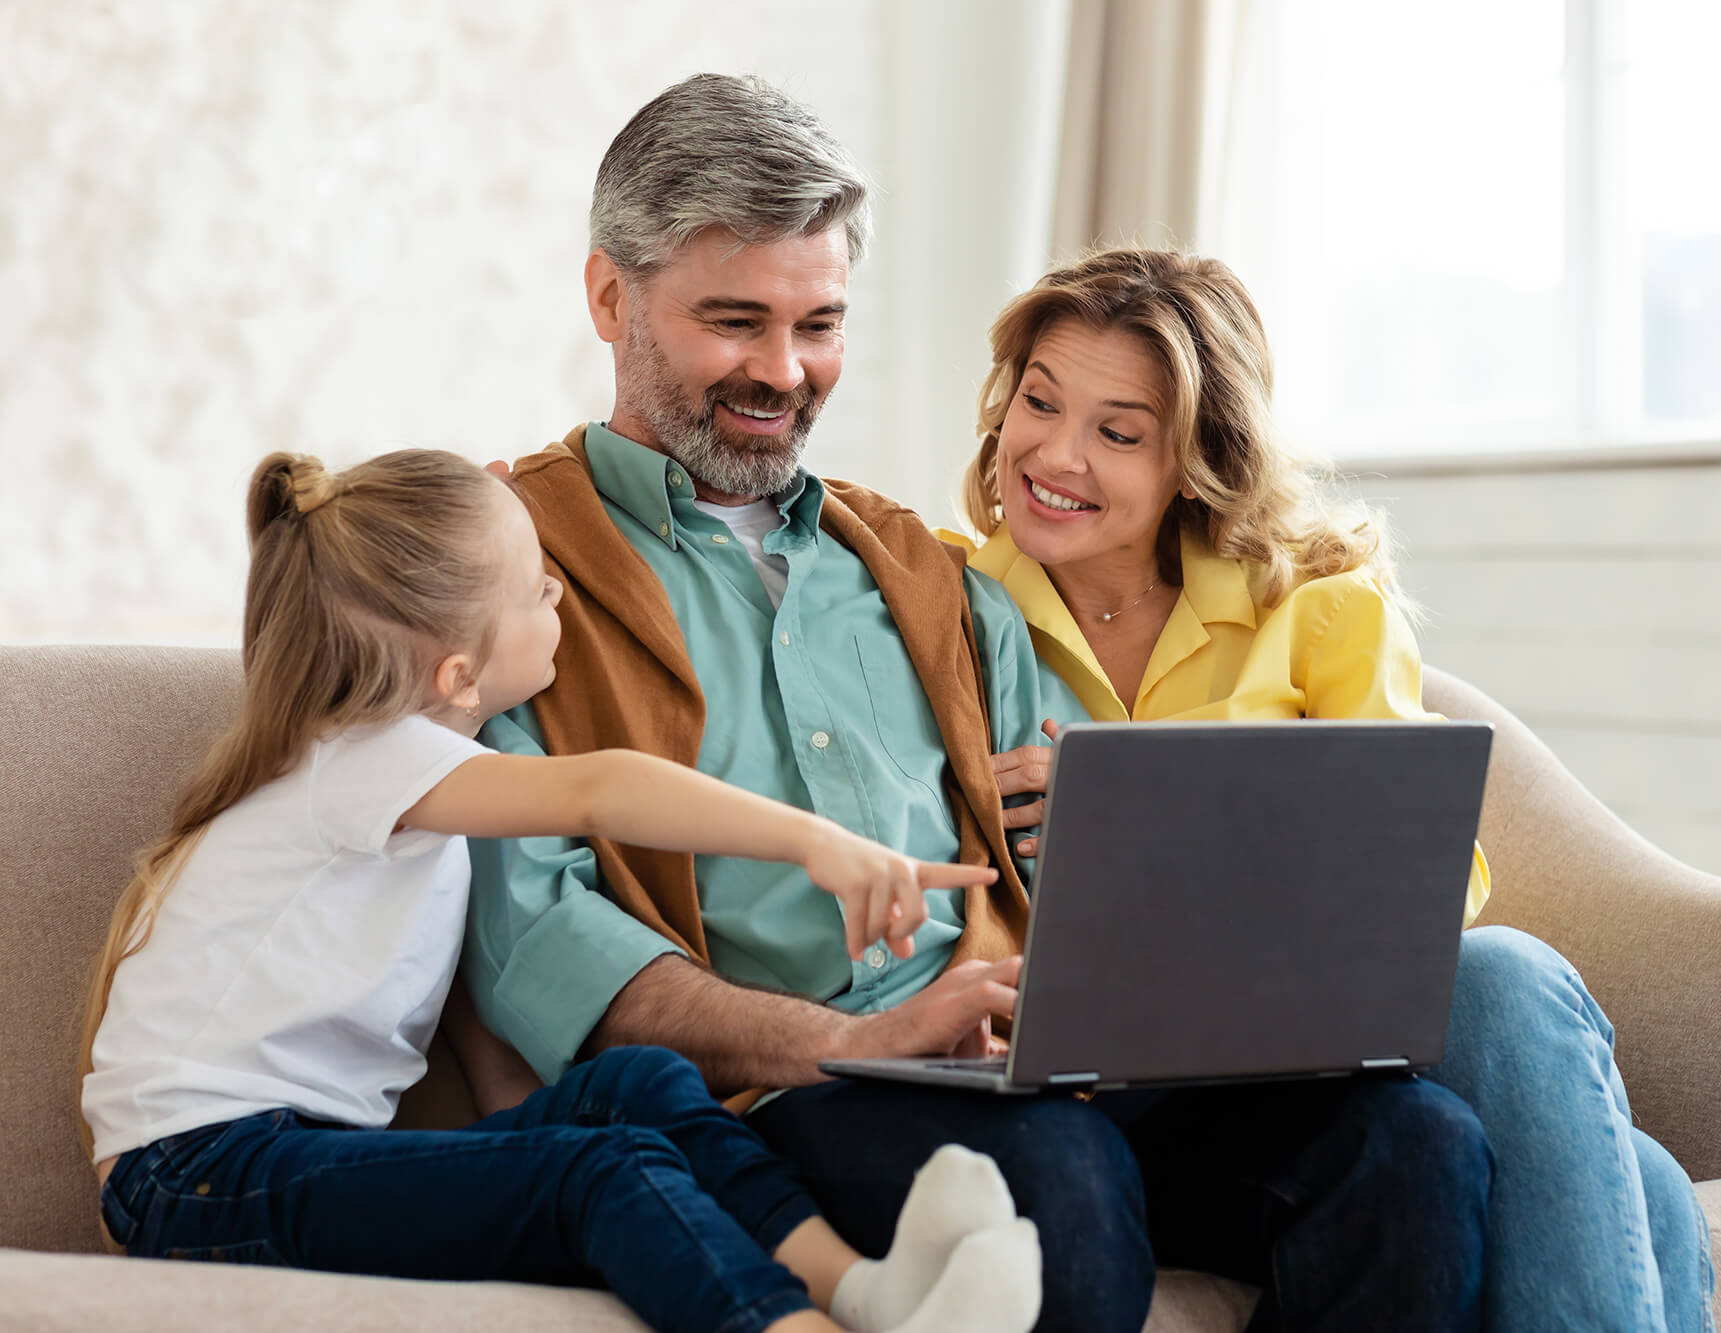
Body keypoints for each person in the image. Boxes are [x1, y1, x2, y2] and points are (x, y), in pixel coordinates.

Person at [465, 74, 1492, 1331]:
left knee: (1412, 1145)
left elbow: (1062, 889)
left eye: (819, 324)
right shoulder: (509, 571)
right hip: (777, 1094)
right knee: (1050, 1179)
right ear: (610, 296)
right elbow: (538, 948)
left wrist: (1106, 882)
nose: (782, 373)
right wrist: (867, 1040)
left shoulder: (927, 576)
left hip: (1010, 1069)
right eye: (734, 322)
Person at [78, 449, 1044, 1333]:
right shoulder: (368, 760)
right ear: (457, 673)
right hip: (197, 1175)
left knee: (637, 1087)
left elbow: (500, 1077)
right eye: (538, 588)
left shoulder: (421, 806)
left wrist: (537, 1134)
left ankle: (863, 1286)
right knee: (604, 1171)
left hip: (274, 1160)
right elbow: (603, 788)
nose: (560, 597)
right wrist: (818, 843)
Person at [955, 246, 1715, 1333]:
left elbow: (1422, 889)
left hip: (1291, 1073)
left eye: (1116, 432)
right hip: (1084, 1094)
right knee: (1640, 1181)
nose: (1056, 454)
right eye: (1038, 402)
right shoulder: (941, 604)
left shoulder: (1312, 601)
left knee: (1502, 971)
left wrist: (1155, 814)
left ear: (1196, 458)